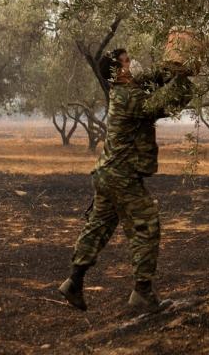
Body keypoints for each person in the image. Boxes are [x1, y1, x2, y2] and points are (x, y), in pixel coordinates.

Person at [57, 47, 196, 313]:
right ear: (116, 72)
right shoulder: (130, 98)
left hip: (107, 174)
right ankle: (142, 293)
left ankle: (74, 281)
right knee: (147, 226)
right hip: (122, 177)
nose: (130, 65)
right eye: (125, 63)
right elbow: (167, 104)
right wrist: (183, 80)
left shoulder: (125, 90)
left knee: (98, 227)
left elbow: (152, 79)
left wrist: (174, 67)